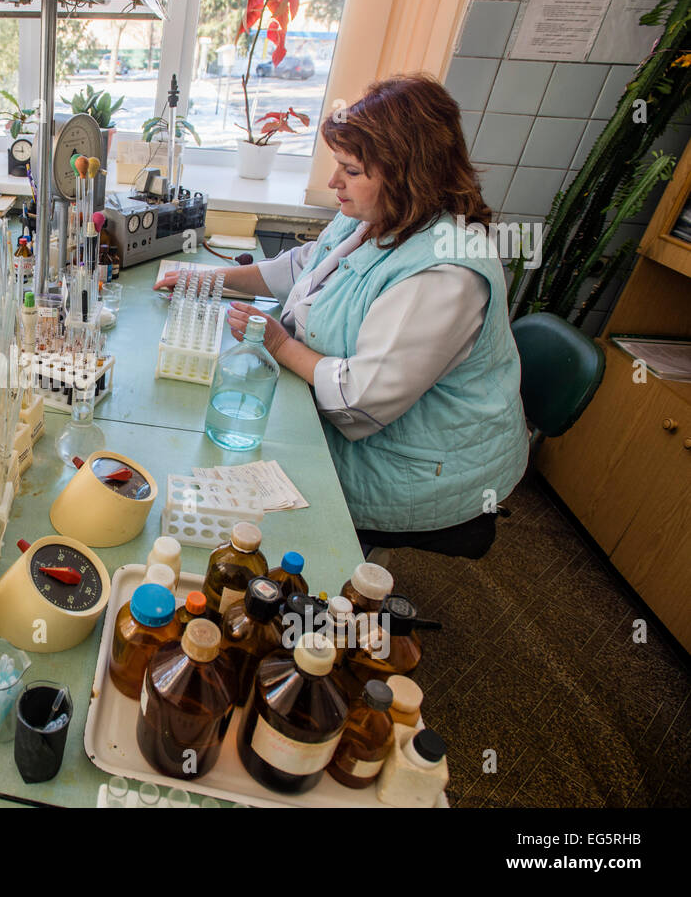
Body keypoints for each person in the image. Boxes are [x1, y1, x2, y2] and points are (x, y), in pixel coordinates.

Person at [160, 73, 528, 557]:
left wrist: (280, 345)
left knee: (235, 490)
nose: (334, 182)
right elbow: (303, 267)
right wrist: (206, 279)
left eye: (351, 171)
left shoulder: (445, 273)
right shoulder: (378, 214)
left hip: (419, 468)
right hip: (368, 430)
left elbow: (360, 400)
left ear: (406, 174)